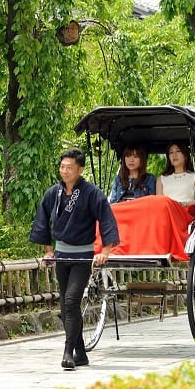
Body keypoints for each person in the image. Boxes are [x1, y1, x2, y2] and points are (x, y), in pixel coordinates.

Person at [29, 147, 119, 371]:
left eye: (69, 167)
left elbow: (106, 220)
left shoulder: (91, 193)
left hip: (83, 256)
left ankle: (67, 352)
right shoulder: (53, 193)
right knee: (66, 304)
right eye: (62, 167)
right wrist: (49, 251)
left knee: (71, 301)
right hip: (61, 255)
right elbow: (42, 222)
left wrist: (105, 251)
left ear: (80, 169)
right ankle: (81, 353)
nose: (65, 171)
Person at [158, 142, 195, 211]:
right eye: (171, 152)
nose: (174, 155)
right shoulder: (161, 179)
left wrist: (185, 204)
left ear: (185, 155)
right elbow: (158, 202)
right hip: (166, 211)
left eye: (178, 151)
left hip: (185, 211)